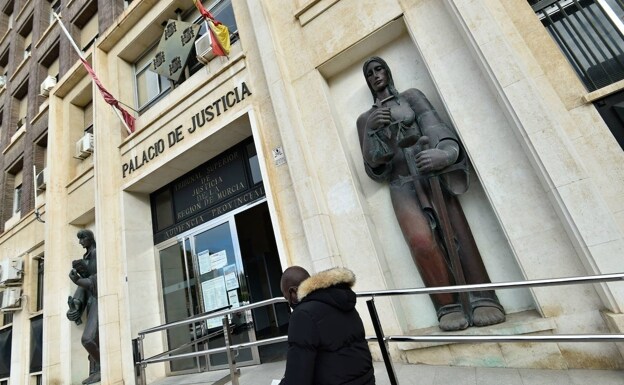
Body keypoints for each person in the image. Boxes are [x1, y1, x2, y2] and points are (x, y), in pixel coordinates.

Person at [356, 56, 505, 331]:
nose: (376, 75)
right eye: (370, 74)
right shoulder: (365, 119)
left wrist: (444, 154)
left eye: (379, 70)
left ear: (387, 72)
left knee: (456, 233)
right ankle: (447, 305)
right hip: (401, 183)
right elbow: (373, 167)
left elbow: (435, 126)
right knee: (422, 242)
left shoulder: (411, 97)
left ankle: (484, 297)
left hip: (429, 174)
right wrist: (371, 132)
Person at [279, 266, 375, 385]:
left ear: (292, 292)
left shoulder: (302, 314)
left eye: (286, 298)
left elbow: (297, 378)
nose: (289, 302)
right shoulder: (342, 302)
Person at [66, 229, 100, 385]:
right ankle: (96, 371)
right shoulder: (86, 257)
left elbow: (97, 280)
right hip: (92, 301)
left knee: (88, 339)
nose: (80, 242)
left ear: (90, 238)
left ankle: (104, 367)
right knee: (94, 340)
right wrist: (76, 305)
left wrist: (79, 281)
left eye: (82, 238)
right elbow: (84, 286)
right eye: (79, 239)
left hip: (101, 300)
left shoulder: (97, 254)